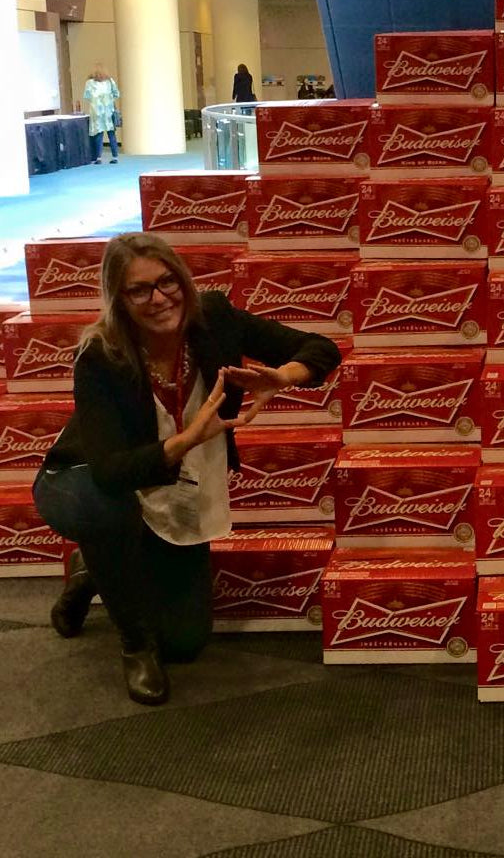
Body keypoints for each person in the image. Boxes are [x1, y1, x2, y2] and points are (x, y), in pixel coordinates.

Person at [32, 233, 341, 705]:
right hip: (83, 478)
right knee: (106, 512)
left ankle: (92, 569)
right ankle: (134, 646)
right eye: (140, 290)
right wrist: (186, 439)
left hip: (167, 483)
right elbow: (111, 471)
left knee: (185, 643)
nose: (159, 299)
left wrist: (284, 376)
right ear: (119, 299)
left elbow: (320, 348)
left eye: (167, 281)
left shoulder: (213, 319)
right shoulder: (100, 355)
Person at [82, 64, 121, 165]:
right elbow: (117, 94)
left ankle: (98, 158)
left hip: (97, 112)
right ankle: (115, 157)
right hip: (109, 111)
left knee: (98, 135)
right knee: (111, 135)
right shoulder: (110, 81)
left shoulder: (89, 83)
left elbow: (86, 96)